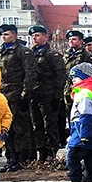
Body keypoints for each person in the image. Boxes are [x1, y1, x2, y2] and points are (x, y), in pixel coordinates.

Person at [0, 23, 37, 172]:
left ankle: (23, 158)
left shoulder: (23, 52)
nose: (3, 37)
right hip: (3, 95)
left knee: (20, 128)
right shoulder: (0, 52)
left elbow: (30, 73)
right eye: (2, 35)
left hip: (18, 94)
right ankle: (11, 158)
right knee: (7, 128)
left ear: (15, 35)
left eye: (6, 34)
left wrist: (26, 94)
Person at [28, 25, 67, 162]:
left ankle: (51, 151)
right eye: (33, 36)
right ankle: (41, 151)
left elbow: (61, 75)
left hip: (48, 94)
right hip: (34, 94)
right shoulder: (29, 54)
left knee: (49, 124)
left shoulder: (52, 55)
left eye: (37, 35)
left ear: (46, 37)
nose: (34, 38)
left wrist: (57, 95)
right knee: (36, 124)